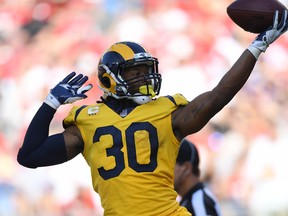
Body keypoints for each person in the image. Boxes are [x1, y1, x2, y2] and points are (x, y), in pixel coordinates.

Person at [17, 10, 288, 216]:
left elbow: (218, 96)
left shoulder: (166, 112)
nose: (144, 79)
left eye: (146, 71)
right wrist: (50, 103)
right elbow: (29, 156)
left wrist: (257, 47)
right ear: (110, 78)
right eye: (135, 73)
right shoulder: (87, 120)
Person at [174, 139, 222, 216]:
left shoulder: (199, 203)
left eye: (168, 165)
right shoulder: (194, 200)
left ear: (186, 168)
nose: (163, 171)